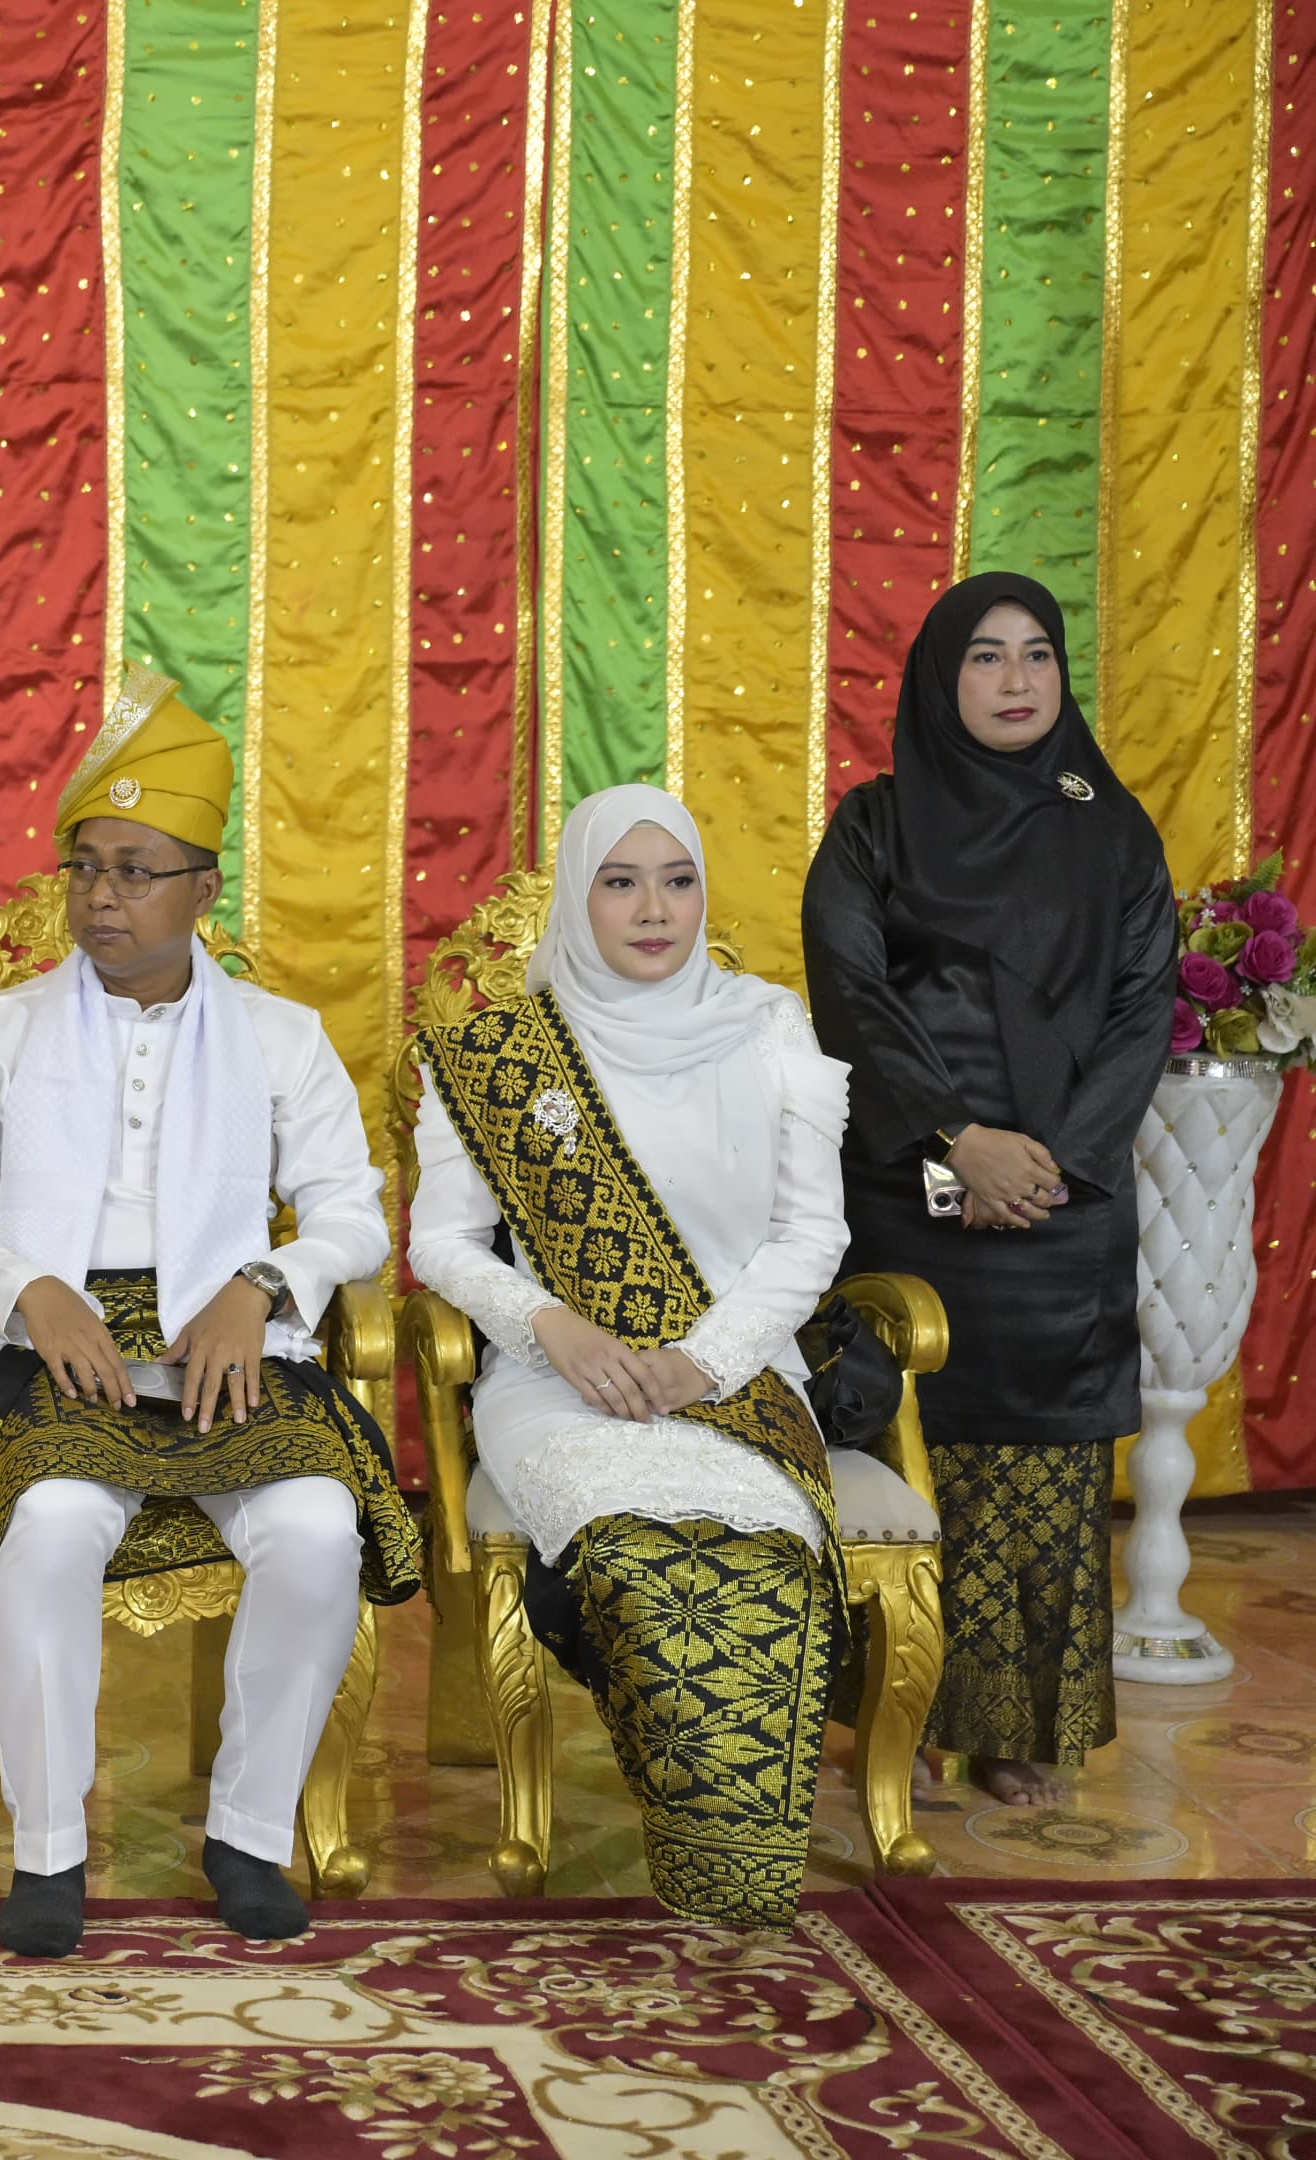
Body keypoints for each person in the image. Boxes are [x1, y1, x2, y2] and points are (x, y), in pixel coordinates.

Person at [0, 661, 422, 1960]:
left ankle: (247, 1832)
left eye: (135, 870)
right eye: (85, 868)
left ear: (203, 890)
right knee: (54, 1525)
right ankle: (51, 1854)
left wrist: (266, 1283)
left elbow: (356, 1212)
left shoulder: (283, 1038)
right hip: (59, 1362)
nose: (102, 897)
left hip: (233, 1353)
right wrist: (26, 1288)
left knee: (315, 1523)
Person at [411, 785, 853, 1928]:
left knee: (761, 1562)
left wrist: (704, 1361)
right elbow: (441, 1244)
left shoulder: (772, 1027)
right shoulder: (498, 1052)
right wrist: (554, 1326)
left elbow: (814, 1234)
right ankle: (706, 1846)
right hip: (560, 1385)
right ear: (577, 896)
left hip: (740, 1381)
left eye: (677, 880)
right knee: (632, 1560)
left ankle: (736, 1865)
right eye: (620, 882)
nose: (653, 909)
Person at [805, 574, 1175, 1808]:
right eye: (985, 657)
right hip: (911, 1193)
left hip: (1062, 1209)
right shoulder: (877, 826)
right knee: (901, 1446)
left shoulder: (1115, 832)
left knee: (1045, 1471)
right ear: (937, 679)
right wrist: (958, 1135)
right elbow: (851, 995)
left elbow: (1140, 1013)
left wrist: (1052, 1165)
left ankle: (1011, 1727)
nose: (1016, 681)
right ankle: (879, 1718)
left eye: (1037, 656)